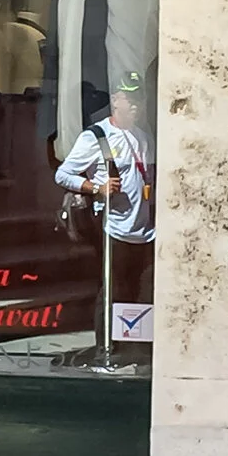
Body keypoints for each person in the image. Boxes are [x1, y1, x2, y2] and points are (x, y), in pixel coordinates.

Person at [54, 72, 155, 347]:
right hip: (113, 226)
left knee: (143, 291)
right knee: (113, 288)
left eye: (139, 100)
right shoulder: (96, 136)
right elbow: (63, 175)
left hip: (145, 229)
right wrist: (94, 188)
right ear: (115, 101)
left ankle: (136, 348)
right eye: (128, 99)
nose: (135, 106)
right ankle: (106, 347)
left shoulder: (144, 138)